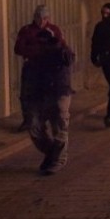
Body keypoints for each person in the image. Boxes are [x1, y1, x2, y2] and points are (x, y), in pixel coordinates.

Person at [26, 26, 75, 175]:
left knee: (59, 126)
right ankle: (52, 153)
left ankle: (58, 159)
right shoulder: (36, 57)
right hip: (43, 95)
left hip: (60, 93)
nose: (42, 45)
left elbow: (69, 58)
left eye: (45, 42)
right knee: (35, 127)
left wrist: (58, 43)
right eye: (39, 43)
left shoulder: (60, 52)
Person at [14, 5, 65, 132]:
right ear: (35, 17)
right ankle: (28, 120)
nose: (42, 21)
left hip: (47, 68)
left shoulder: (54, 30)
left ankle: (44, 119)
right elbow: (18, 48)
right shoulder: (26, 30)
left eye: (45, 18)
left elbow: (61, 46)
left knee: (46, 94)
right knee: (26, 94)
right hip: (31, 66)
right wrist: (36, 51)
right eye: (40, 18)